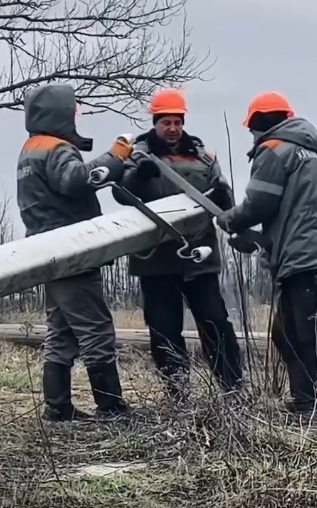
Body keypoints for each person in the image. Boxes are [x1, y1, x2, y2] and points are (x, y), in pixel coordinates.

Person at [216, 91, 317, 416]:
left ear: (256, 124)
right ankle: (304, 401)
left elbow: (259, 204)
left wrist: (228, 219)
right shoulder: (315, 155)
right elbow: (297, 211)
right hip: (314, 250)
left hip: (304, 256)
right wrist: (262, 240)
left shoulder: (273, 151)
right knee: (290, 332)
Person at [112, 87, 245, 402]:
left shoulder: (202, 156)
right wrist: (137, 178)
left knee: (216, 323)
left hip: (200, 257)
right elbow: (120, 193)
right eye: (166, 122)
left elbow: (222, 199)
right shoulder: (138, 153)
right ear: (155, 122)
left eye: (177, 122)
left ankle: (233, 387)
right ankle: (178, 391)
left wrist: (227, 200)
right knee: (163, 329)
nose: (172, 128)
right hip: (155, 259)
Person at [17, 82, 133, 422]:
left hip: (47, 250)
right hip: (72, 250)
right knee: (96, 329)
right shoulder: (56, 149)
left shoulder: (30, 148)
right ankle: (111, 408)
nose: (76, 116)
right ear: (60, 113)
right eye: (73, 111)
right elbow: (75, 180)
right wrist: (117, 155)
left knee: (62, 330)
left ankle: (58, 408)